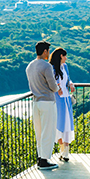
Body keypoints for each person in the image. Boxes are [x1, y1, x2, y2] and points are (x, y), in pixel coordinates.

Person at [26, 41, 61, 170]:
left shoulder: (30, 66)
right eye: (48, 51)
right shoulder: (46, 66)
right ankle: (44, 160)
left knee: (39, 131)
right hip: (47, 101)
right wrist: (58, 88)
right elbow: (52, 86)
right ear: (45, 51)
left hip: (36, 102)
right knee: (48, 131)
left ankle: (40, 157)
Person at [50, 47, 75, 162]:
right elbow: (52, 82)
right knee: (59, 124)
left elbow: (68, 79)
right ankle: (62, 151)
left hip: (66, 99)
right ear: (61, 56)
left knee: (67, 124)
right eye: (65, 56)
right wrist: (58, 87)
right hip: (58, 99)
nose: (66, 58)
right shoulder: (52, 68)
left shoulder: (65, 67)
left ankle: (65, 153)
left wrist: (71, 84)